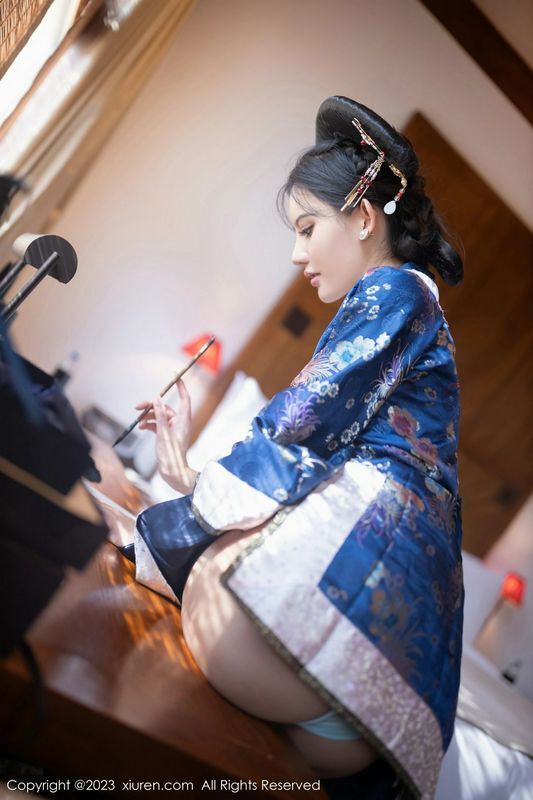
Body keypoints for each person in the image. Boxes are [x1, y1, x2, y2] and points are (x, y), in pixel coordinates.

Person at [131, 96, 464, 800]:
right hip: (345, 705)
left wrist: (186, 513)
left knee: (187, 562)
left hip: (330, 649)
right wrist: (188, 473)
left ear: (364, 217)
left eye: (308, 228)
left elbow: (301, 423)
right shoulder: (407, 302)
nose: (296, 253)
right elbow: (309, 451)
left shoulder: (396, 292)